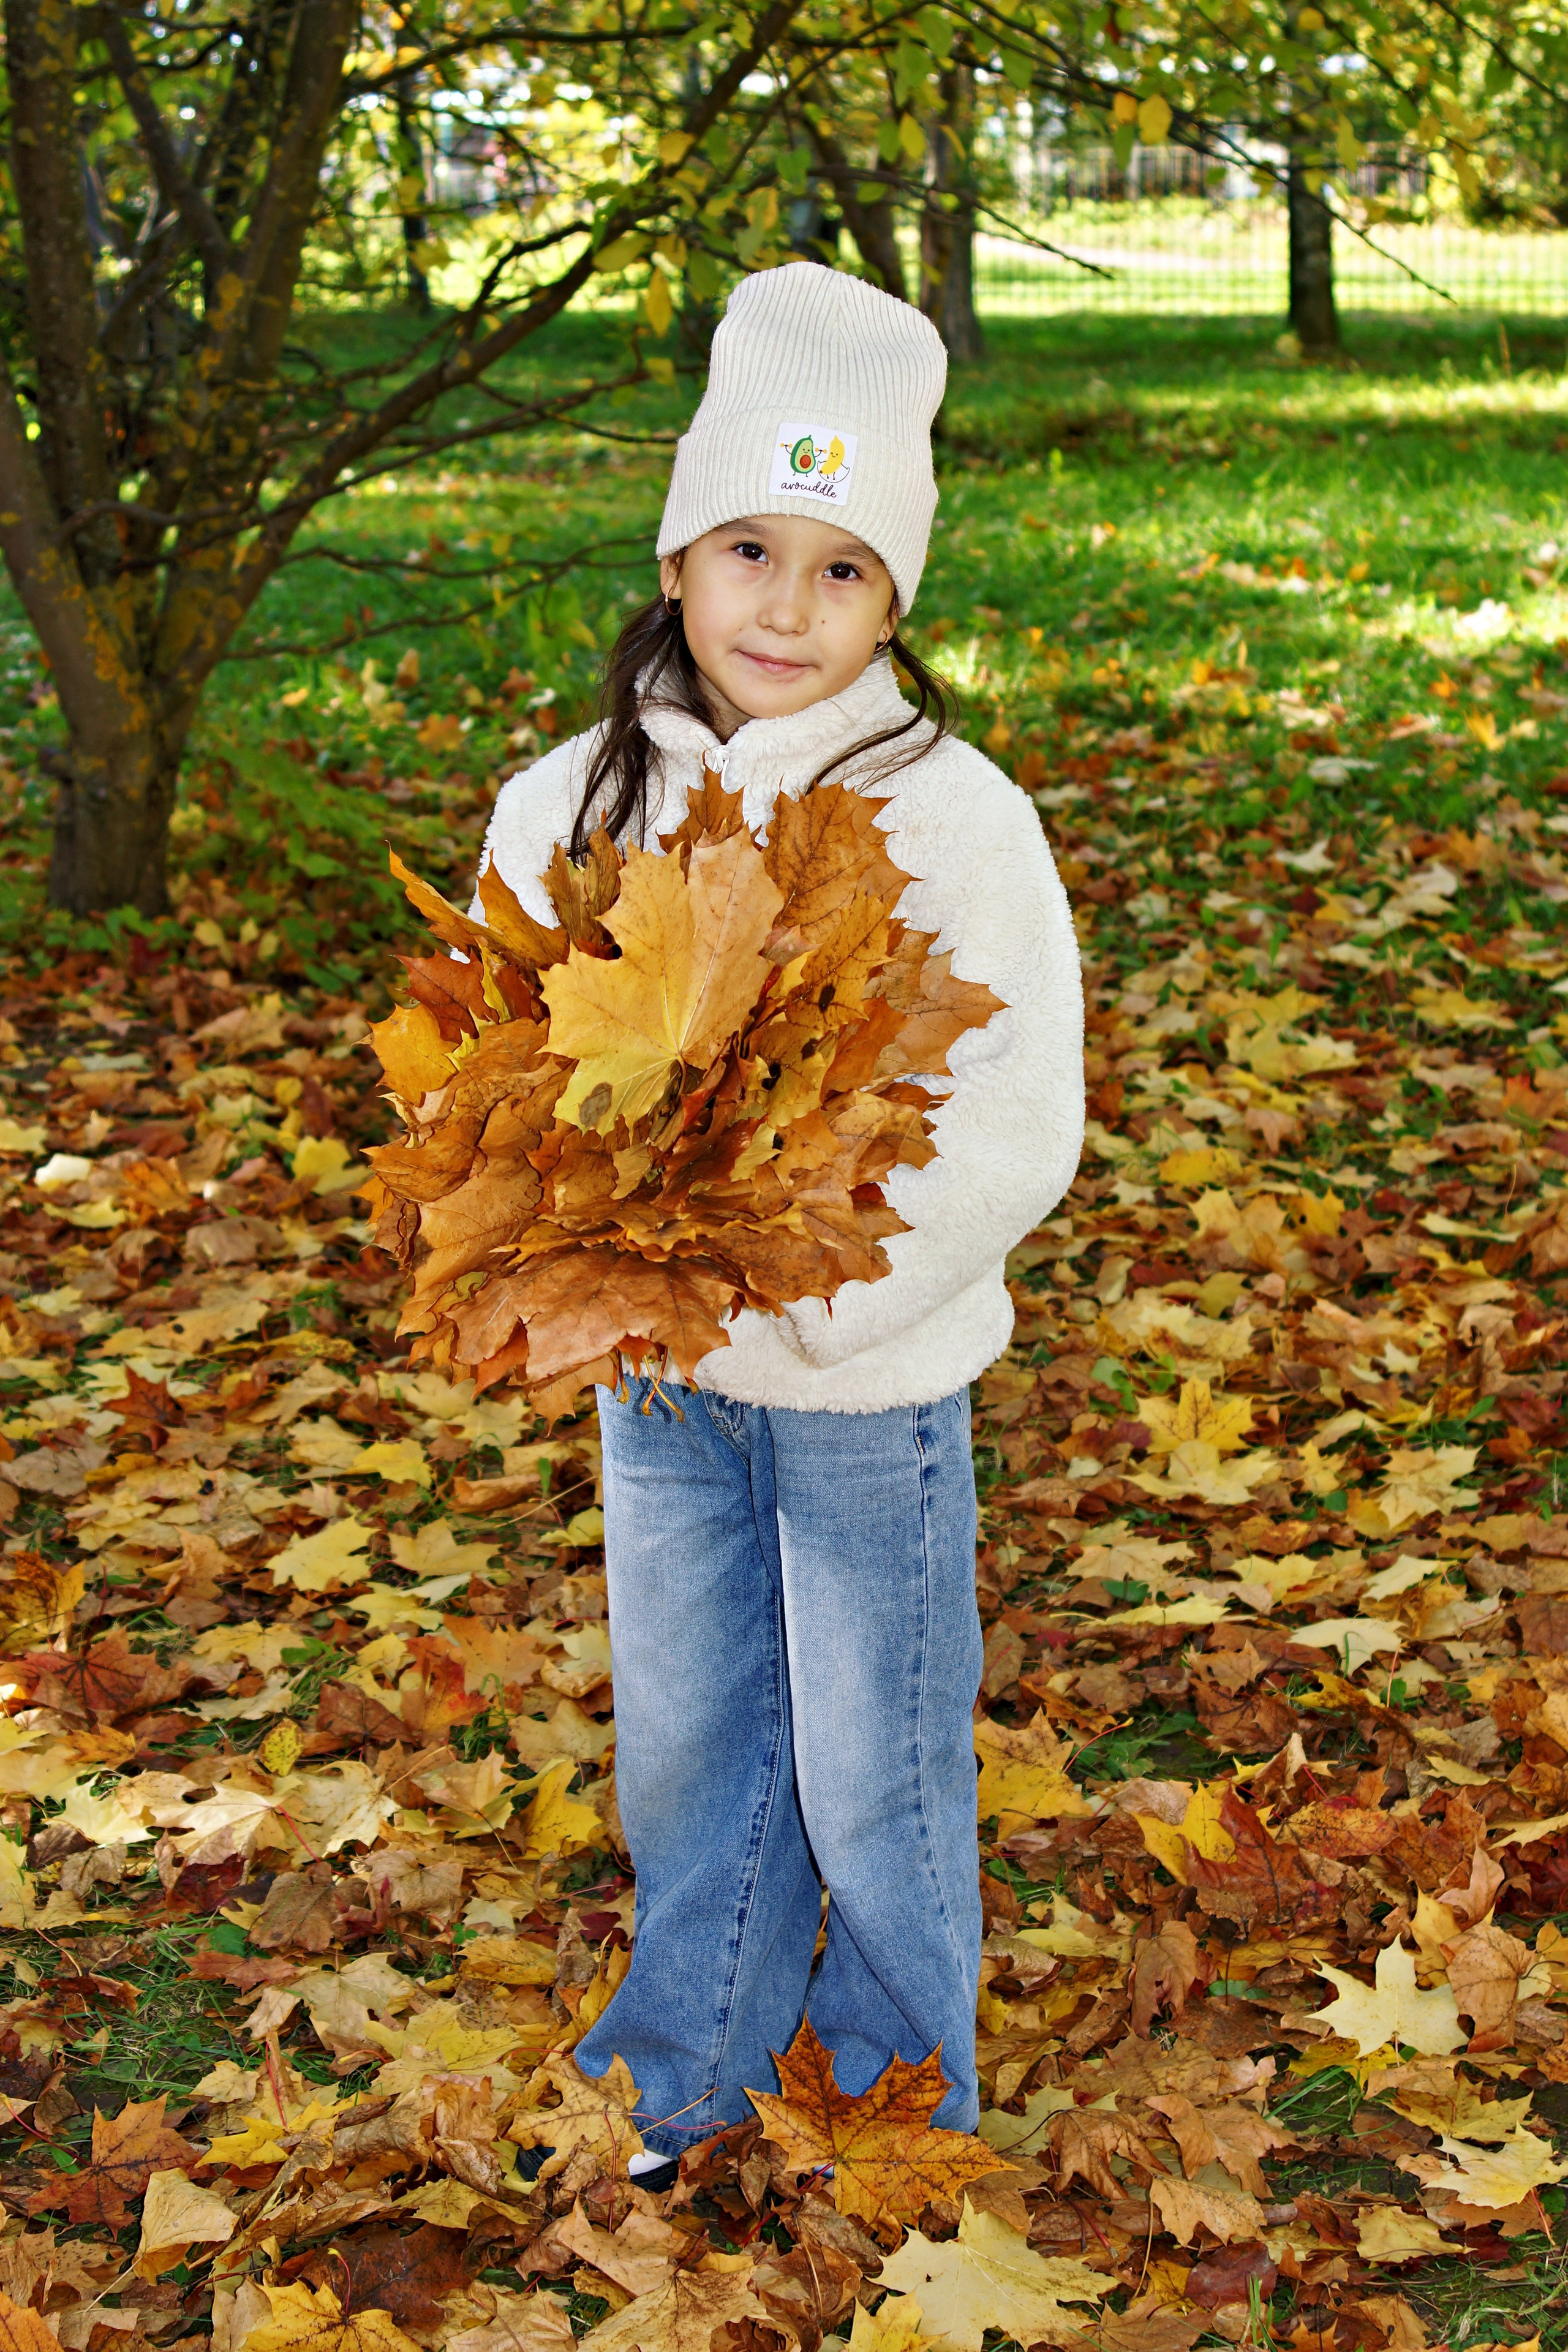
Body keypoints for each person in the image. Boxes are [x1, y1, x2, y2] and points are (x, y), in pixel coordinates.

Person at [472, 262, 1084, 2188]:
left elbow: (1014, 1124)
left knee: (875, 1767)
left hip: (864, 1394)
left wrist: (822, 1299)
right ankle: (692, 2066)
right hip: (655, 1388)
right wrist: (574, 1259)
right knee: (688, 1745)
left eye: (842, 568)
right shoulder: (569, 803)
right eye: (750, 547)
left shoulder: (955, 816)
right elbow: (489, 1077)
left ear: (899, 595)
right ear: (677, 555)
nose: (785, 608)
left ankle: (899, 2095)